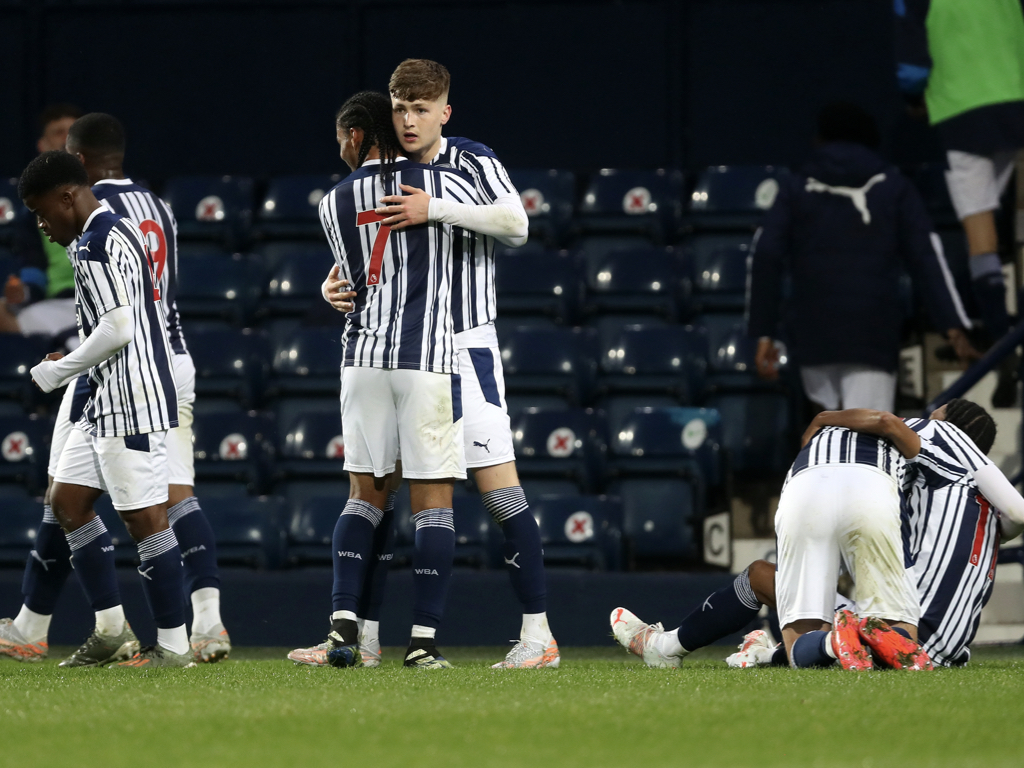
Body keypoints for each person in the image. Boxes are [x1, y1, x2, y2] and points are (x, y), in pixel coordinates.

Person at [301, 59, 557, 669]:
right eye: (400, 107)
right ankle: (361, 638)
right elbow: (367, 259)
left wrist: (436, 208)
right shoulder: (378, 175)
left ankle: (538, 635)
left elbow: (515, 224)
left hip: (464, 347)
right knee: (377, 489)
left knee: (499, 493)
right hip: (398, 350)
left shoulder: (472, 161)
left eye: (422, 109)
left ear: (445, 111)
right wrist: (330, 286)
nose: (410, 120)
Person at [0, 113, 231, 665]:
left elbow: (120, 326)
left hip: (131, 390)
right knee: (68, 500)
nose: (40, 226)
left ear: (69, 187)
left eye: (40, 213)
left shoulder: (97, 240)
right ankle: (114, 627)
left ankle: (175, 645)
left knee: (147, 516)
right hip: (127, 377)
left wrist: (62, 370)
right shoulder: (151, 211)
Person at [610, 400, 1024, 670]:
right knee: (827, 613)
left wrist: (825, 417)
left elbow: (888, 423)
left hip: (913, 632)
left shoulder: (941, 439)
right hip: (950, 650)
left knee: (764, 582)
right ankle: (774, 651)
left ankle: (668, 648)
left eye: (936, 411)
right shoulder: (984, 511)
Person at [293, 91, 472, 669]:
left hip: (363, 357)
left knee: (363, 497)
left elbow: (348, 276)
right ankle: (422, 644)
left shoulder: (331, 203)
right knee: (432, 502)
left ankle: (344, 632)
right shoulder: (435, 182)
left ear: (353, 136)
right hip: (424, 355)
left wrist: (330, 286)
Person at [749, 102, 976, 414]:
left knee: (824, 437)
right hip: (873, 332)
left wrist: (764, 330)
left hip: (813, 332)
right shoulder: (894, 185)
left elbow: (766, 254)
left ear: (821, 139)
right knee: (865, 441)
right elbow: (926, 257)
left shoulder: (796, 186)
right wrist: (952, 325)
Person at [896, 0, 1024, 406]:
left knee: (980, 236)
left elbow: (912, 67)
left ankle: (1005, 354)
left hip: (962, 112)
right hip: (1019, 98)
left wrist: (913, 96)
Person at [2, 104, 85, 346]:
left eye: (72, 132)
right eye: (58, 132)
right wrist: (22, 294)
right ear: (43, 147)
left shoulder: (113, 197)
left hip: (106, 304)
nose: (65, 138)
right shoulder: (31, 212)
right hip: (56, 307)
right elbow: (33, 270)